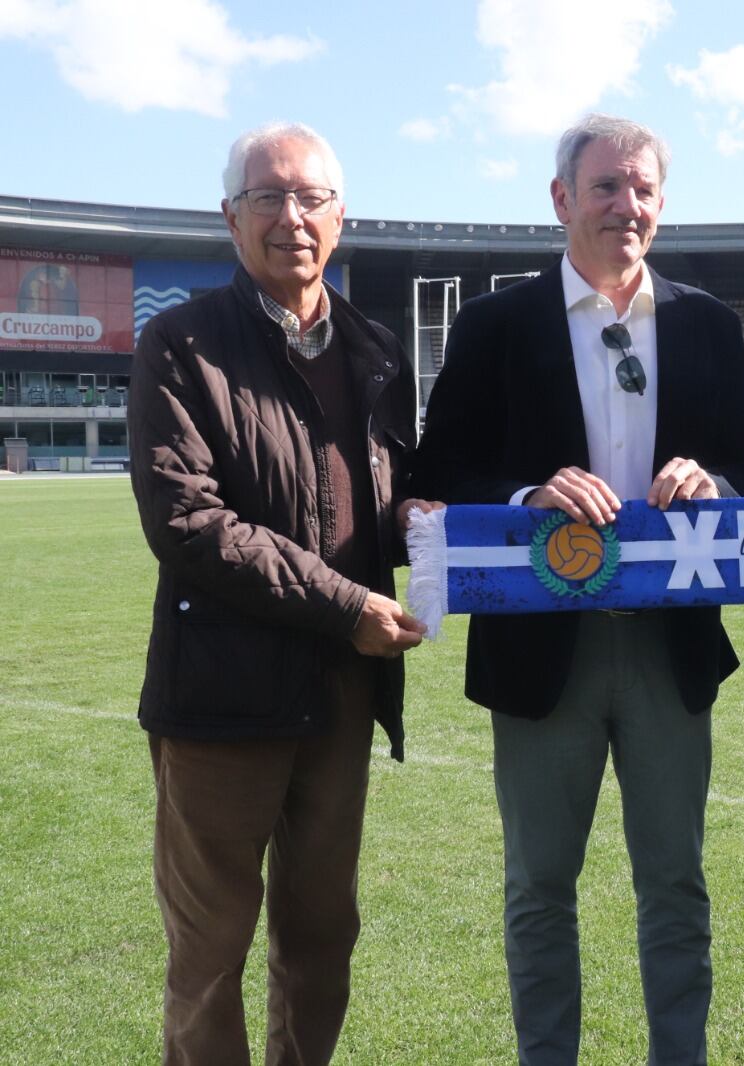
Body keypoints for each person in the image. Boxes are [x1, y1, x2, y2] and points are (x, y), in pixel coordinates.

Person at [409, 114, 744, 1066]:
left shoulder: (708, 323)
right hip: (539, 652)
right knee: (538, 887)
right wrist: (529, 497)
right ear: (562, 200)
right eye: (605, 186)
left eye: (643, 187)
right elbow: (437, 475)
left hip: (668, 646)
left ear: (663, 202)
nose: (627, 204)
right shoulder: (493, 325)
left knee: (676, 885)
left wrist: (715, 485)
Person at [128, 121, 434, 1066]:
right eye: (269, 198)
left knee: (319, 940)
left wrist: (425, 518)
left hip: (339, 696)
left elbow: (383, 501)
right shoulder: (180, 342)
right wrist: (347, 606)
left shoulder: (376, 348)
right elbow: (190, 523)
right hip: (222, 699)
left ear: (341, 217)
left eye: (312, 199)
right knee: (211, 951)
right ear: (231, 218)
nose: (292, 219)